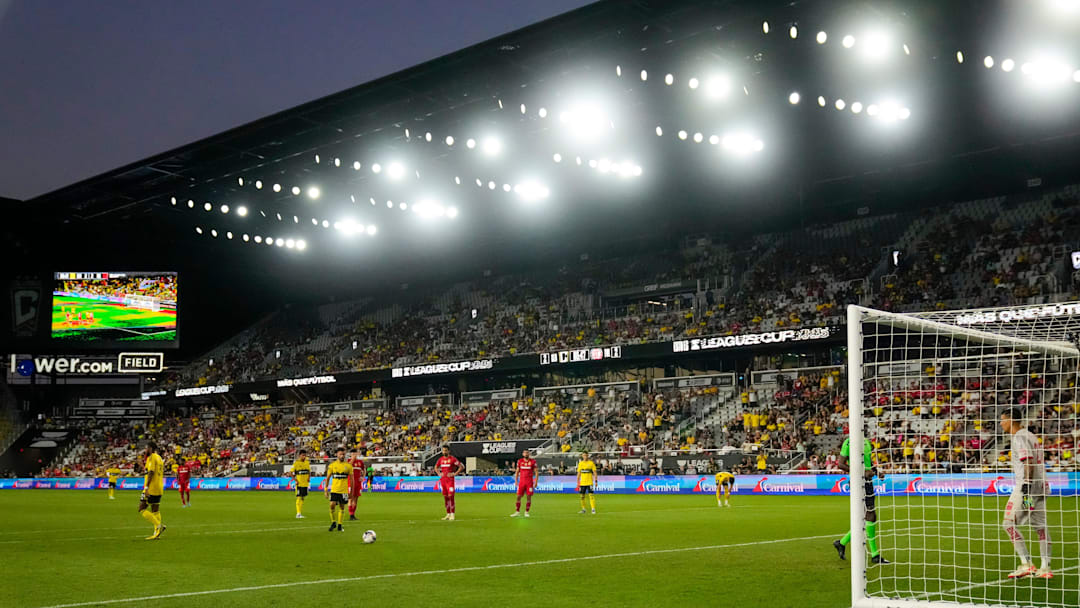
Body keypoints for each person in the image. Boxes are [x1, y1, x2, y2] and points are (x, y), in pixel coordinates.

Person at [1000, 407, 1052, 579]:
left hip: (1027, 490)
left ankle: (1026, 563)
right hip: (1040, 490)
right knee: (1040, 527)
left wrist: (1026, 486)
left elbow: (1027, 460)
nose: (1001, 423)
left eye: (1003, 420)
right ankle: (1045, 568)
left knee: (1008, 523)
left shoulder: (1019, 437)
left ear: (1011, 420)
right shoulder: (1030, 435)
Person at [833, 435, 888, 564]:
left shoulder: (867, 443)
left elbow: (869, 463)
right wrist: (861, 472)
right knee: (869, 515)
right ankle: (874, 554)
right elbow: (840, 464)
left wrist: (877, 471)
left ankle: (842, 543)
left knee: (869, 516)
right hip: (858, 482)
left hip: (868, 482)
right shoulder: (848, 442)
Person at [138, 442, 166, 540]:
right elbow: (150, 471)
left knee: (141, 508)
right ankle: (156, 532)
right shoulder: (159, 458)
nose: (146, 450)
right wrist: (142, 466)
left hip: (151, 488)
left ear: (150, 448)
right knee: (155, 509)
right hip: (159, 487)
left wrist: (146, 488)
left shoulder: (152, 457)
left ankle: (159, 525)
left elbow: (151, 472)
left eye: (147, 448)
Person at [324, 447, 352, 532]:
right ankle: (333, 522)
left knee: (342, 506)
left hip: (343, 490)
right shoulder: (332, 465)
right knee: (332, 505)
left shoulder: (348, 466)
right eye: (340, 454)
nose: (342, 456)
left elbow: (352, 480)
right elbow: (328, 478)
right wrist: (326, 490)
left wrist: (351, 491)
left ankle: (340, 524)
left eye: (343, 454)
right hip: (334, 490)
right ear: (337, 455)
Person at [435, 446, 463, 521]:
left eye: (446, 450)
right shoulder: (440, 459)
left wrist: (455, 474)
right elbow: (436, 467)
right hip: (443, 480)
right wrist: (438, 473)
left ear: (449, 451)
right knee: (446, 497)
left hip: (450, 480)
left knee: (451, 497)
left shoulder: (452, 459)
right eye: (443, 450)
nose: (444, 452)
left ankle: (452, 514)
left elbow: (461, 467)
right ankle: (448, 514)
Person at [511, 449, 538, 517]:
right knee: (518, 496)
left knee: (528, 497)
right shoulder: (520, 461)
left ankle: (526, 512)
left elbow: (536, 472)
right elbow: (517, 472)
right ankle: (517, 511)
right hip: (522, 482)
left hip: (529, 482)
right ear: (523, 454)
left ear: (529, 454)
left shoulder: (533, 462)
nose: (526, 454)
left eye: (527, 453)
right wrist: (516, 481)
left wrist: (536, 482)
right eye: (525, 453)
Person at [289, 449, 311, 519]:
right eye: (303, 455)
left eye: (305, 455)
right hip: (299, 484)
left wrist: (309, 478)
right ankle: (298, 513)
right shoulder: (296, 463)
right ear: (299, 456)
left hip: (305, 484)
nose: (304, 457)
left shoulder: (307, 463)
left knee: (302, 498)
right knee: (299, 497)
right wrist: (295, 480)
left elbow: (309, 471)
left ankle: (299, 513)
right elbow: (290, 473)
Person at [348, 449, 365, 521]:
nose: (354, 454)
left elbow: (364, 470)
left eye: (355, 453)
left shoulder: (360, 462)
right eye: (353, 453)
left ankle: (353, 514)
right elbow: (347, 467)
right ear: (351, 454)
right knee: (350, 498)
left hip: (358, 482)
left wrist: (363, 477)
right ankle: (350, 514)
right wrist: (352, 459)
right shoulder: (348, 461)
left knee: (356, 498)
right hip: (350, 482)